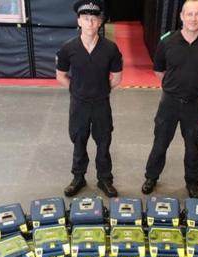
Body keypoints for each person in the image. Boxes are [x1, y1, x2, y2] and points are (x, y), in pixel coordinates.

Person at [141, 0, 198, 198]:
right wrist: (173, 87)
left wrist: (197, 87)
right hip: (169, 103)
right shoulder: (167, 41)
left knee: (193, 145)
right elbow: (159, 71)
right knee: (160, 142)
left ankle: (192, 182)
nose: (193, 19)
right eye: (190, 14)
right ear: (182, 16)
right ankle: (151, 177)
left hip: (194, 104)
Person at [56, 0, 123, 198]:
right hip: (79, 105)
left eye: (94, 19)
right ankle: (78, 177)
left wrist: (100, 90)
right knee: (79, 141)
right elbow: (60, 75)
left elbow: (117, 77)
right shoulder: (68, 48)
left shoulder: (110, 48)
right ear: (79, 21)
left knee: (104, 142)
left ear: (100, 22)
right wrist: (77, 91)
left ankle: (105, 179)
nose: (90, 23)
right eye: (86, 19)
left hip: (101, 104)